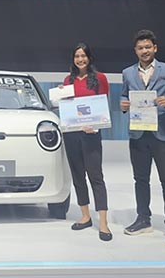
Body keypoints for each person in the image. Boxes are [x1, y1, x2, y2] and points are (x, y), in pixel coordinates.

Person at [120, 30, 165, 243]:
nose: (144, 51)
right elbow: (124, 95)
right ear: (135, 50)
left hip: (162, 134)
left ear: (155, 48)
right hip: (138, 133)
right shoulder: (127, 73)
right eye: (140, 48)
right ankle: (143, 219)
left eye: (148, 47)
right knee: (140, 179)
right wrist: (124, 104)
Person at [62, 42, 112, 241]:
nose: (80, 59)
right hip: (72, 134)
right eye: (77, 56)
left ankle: (103, 222)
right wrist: (60, 95)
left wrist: (96, 125)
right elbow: (66, 107)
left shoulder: (99, 78)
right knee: (78, 176)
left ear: (89, 58)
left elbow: (104, 105)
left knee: (95, 176)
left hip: (91, 134)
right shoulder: (68, 80)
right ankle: (85, 216)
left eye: (83, 56)